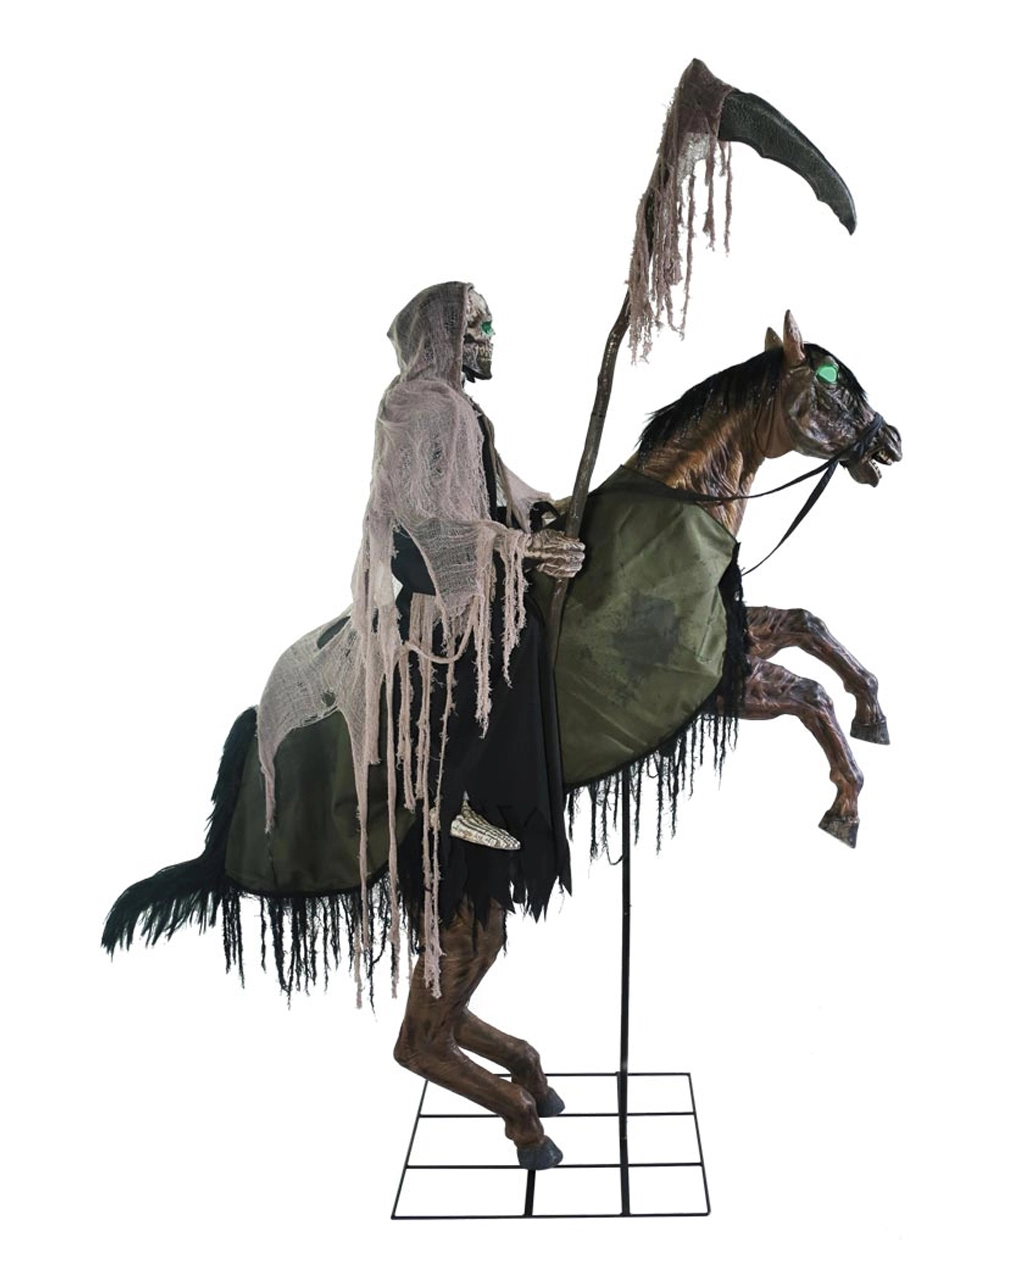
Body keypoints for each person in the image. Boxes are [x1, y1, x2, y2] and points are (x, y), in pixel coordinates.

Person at [256, 281, 584, 990]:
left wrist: (546, 514)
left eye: (488, 326)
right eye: (476, 326)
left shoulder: (467, 411)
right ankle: (450, 794)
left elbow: (500, 491)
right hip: (435, 587)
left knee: (523, 627)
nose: (488, 339)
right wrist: (520, 549)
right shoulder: (419, 408)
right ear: (442, 335)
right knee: (509, 643)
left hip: (474, 571)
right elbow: (415, 520)